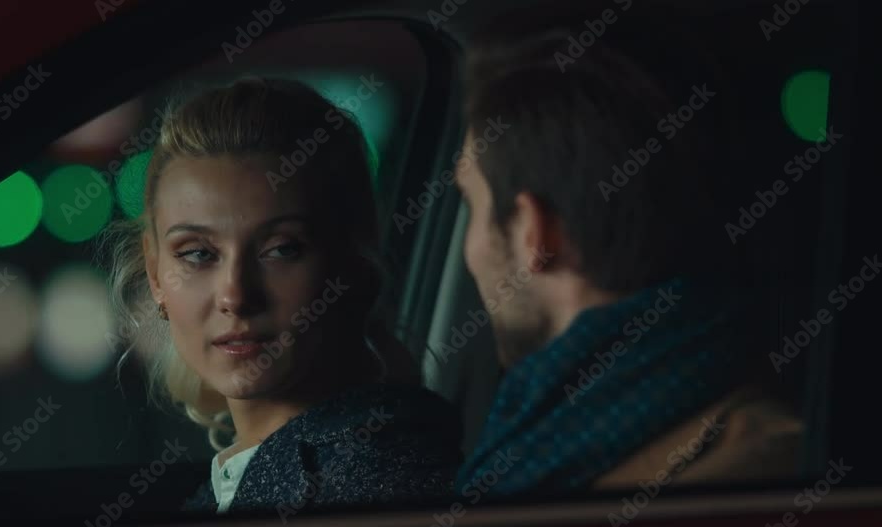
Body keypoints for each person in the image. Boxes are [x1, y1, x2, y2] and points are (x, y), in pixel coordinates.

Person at [452, 19, 803, 498]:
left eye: (471, 204)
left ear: (536, 233)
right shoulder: (772, 442)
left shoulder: (741, 471)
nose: (469, 249)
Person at [102, 77, 462, 516]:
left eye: (281, 249)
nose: (235, 295)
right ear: (154, 273)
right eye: (197, 253)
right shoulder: (250, 477)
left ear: (350, 262)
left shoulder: (384, 486)